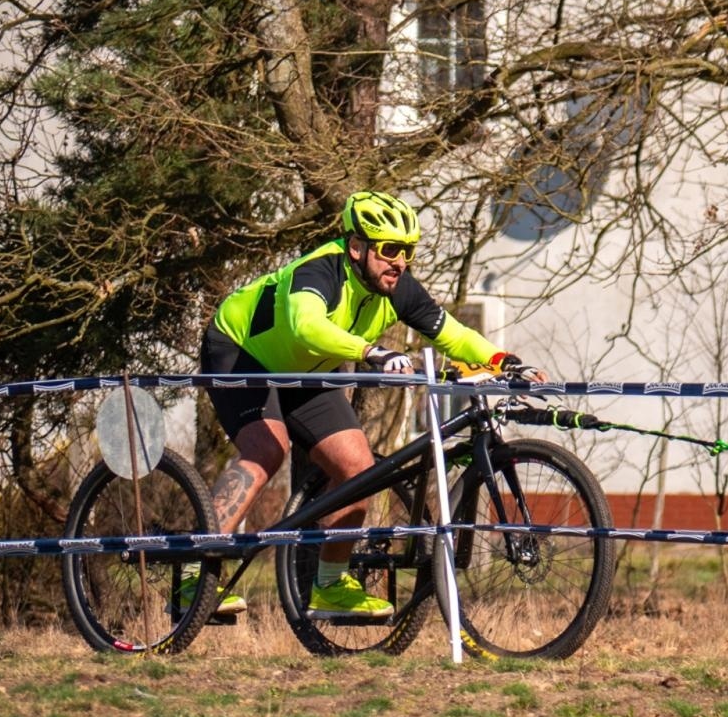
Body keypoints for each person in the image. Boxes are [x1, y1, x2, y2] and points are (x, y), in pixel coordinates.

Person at [191, 190, 537, 620]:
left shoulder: (397, 287)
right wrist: (370, 351)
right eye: (389, 250)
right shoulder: (319, 271)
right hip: (241, 350)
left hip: (307, 367)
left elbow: (451, 332)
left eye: (407, 252)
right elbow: (306, 327)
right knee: (267, 450)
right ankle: (193, 572)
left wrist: (503, 360)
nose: (399, 262)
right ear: (356, 247)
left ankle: (331, 585)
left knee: (359, 470)